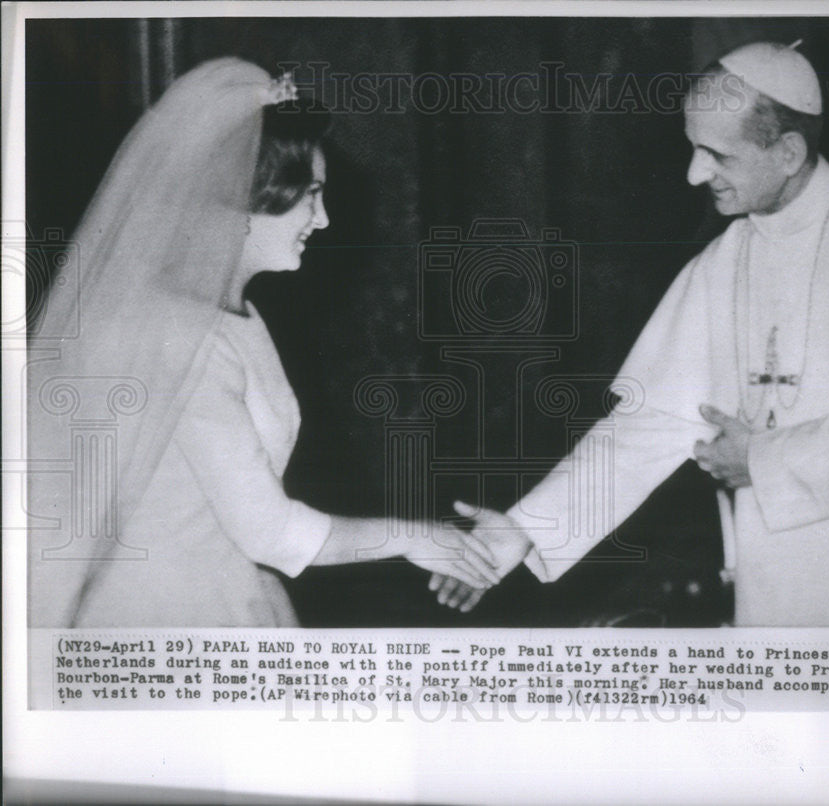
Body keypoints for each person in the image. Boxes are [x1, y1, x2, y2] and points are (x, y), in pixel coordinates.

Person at [435, 41, 829, 626]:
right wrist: (524, 528)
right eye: (693, 148)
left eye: (717, 154)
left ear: (789, 152)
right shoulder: (722, 263)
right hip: (779, 587)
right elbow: (648, 426)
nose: (695, 173)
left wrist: (763, 460)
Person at [27, 58, 496, 627]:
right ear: (247, 197)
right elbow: (270, 533)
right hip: (167, 619)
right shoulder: (181, 333)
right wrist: (411, 537)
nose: (321, 220)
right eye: (310, 196)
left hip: (228, 594)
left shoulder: (233, 318)